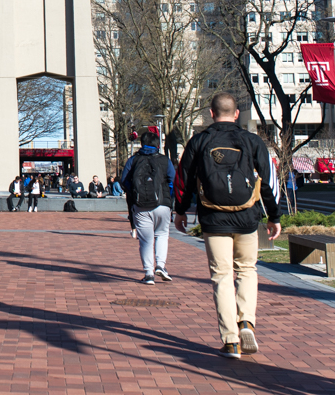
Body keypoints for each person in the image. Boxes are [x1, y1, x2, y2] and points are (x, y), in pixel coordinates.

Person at [174, 93, 282, 359]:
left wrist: (180, 211)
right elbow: (269, 181)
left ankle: (231, 341)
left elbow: (183, 179)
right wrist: (274, 216)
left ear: (211, 113)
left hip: (213, 218)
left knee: (221, 277)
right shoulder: (252, 140)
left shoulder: (199, 141)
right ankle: (246, 321)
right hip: (247, 218)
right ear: (236, 114)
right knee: (247, 269)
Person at [120, 130, 176, 284]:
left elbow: (124, 181)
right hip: (162, 204)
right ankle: (161, 265)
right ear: (157, 144)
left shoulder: (133, 160)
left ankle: (148, 273)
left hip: (140, 205)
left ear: (142, 143)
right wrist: (168, 198)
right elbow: (173, 180)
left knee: (145, 240)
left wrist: (135, 193)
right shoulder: (165, 160)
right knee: (162, 234)